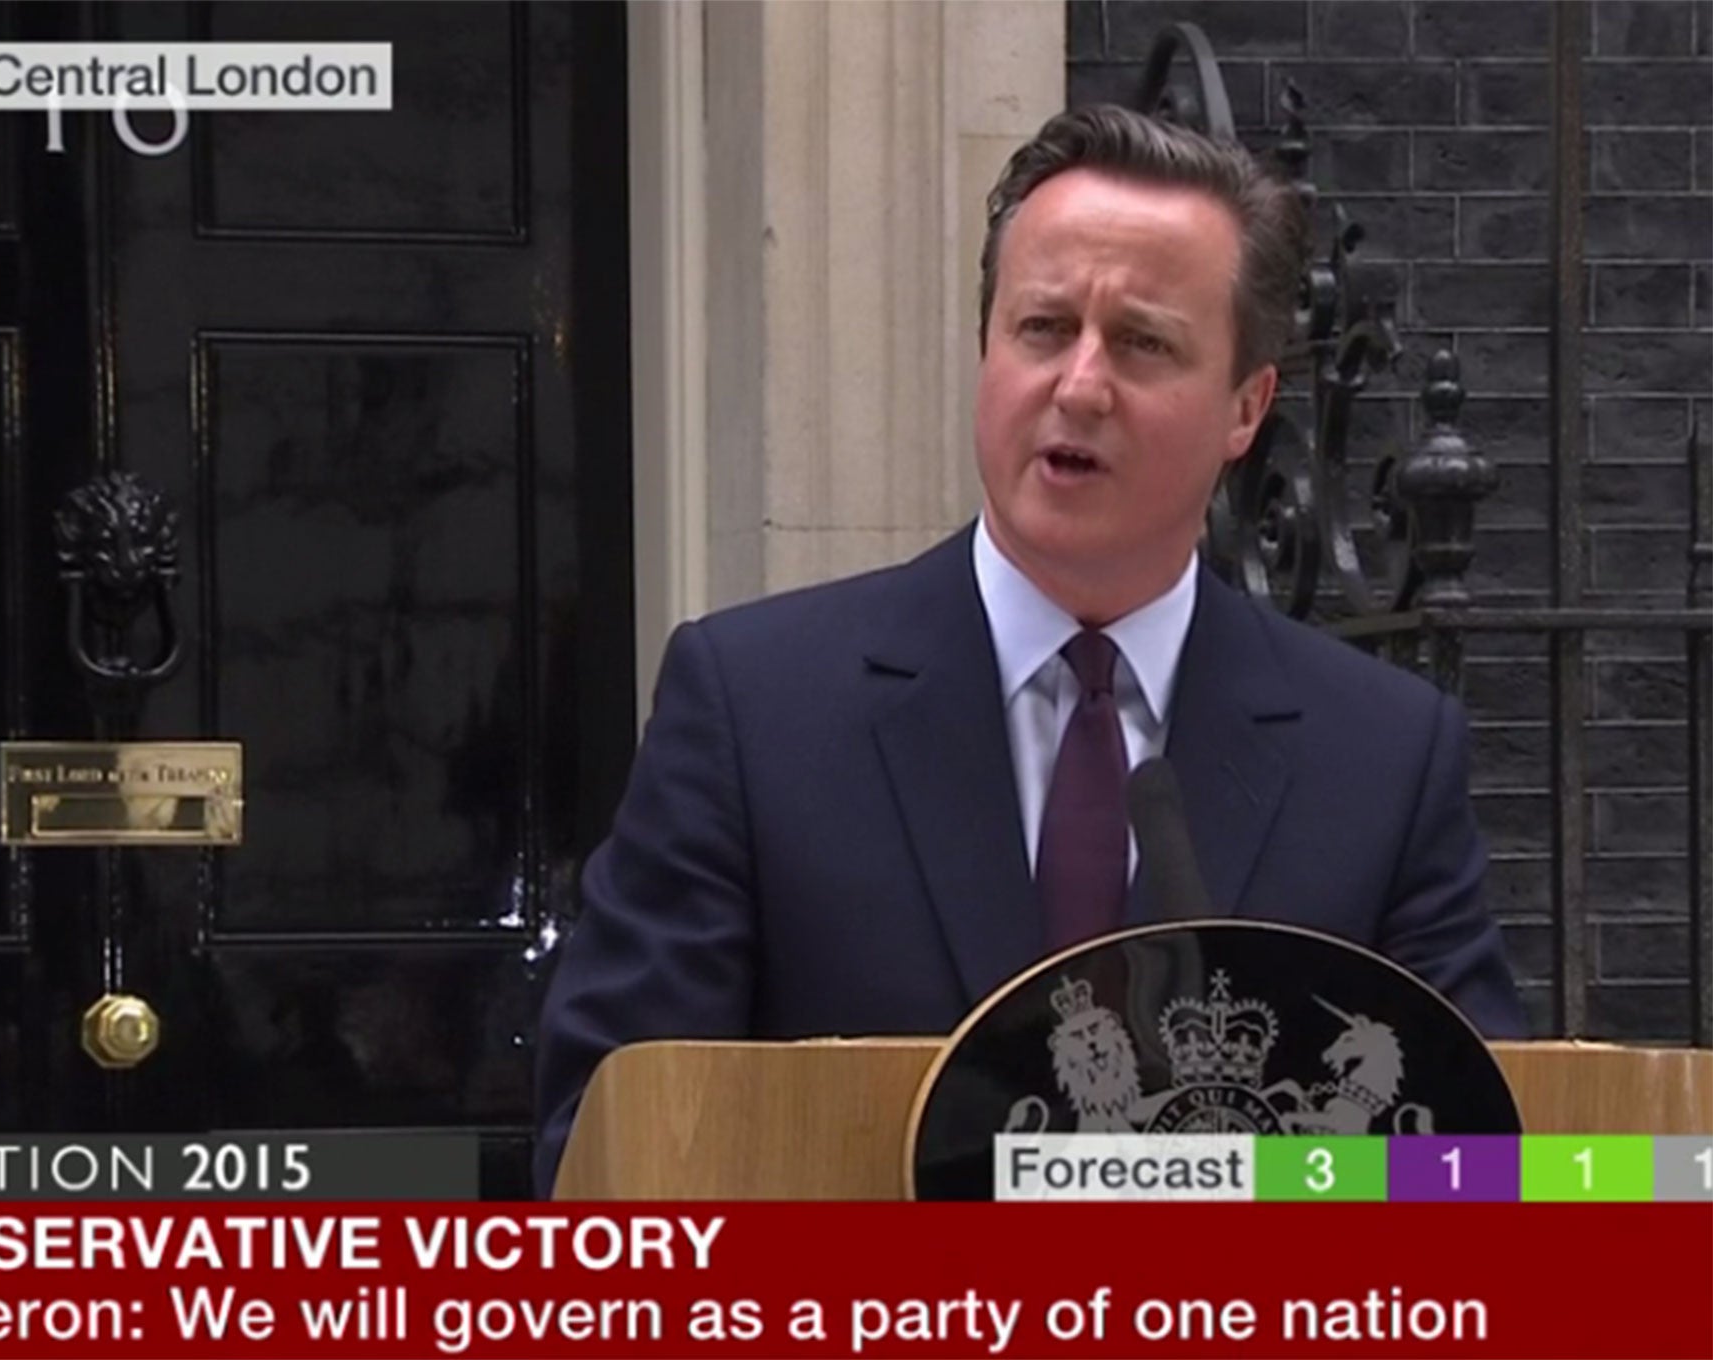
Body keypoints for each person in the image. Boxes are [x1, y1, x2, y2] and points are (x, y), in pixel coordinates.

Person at [533, 105, 1523, 1195]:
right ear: (985, 349)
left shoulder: (1380, 754)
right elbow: (601, 1147)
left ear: (1245, 407)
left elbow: (1479, 1164)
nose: (1080, 385)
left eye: (1141, 342)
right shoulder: (753, 708)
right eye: (1043, 329)